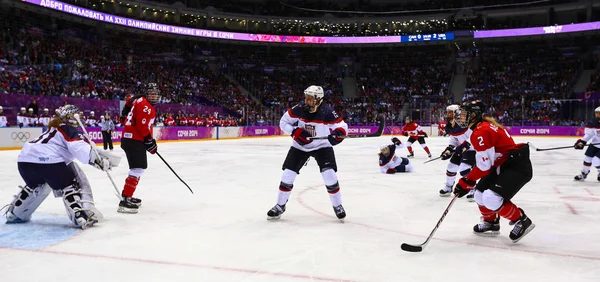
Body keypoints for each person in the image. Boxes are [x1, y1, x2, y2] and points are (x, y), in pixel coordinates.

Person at [2, 105, 118, 229]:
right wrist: (98, 161)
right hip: (50, 163)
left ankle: (15, 213)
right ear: (70, 117)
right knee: (71, 184)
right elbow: (80, 149)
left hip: (25, 162)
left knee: (35, 186)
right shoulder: (67, 129)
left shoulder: (52, 129)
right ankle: (80, 214)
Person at [452, 100, 535, 243]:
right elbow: (485, 162)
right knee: (479, 194)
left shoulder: (481, 131)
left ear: (474, 115)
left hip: (516, 166)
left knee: (491, 197)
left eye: (464, 114)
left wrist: (466, 181)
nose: (460, 117)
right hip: (504, 164)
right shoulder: (481, 128)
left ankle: (521, 220)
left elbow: (485, 166)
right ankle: (491, 223)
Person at [267, 85, 348, 221]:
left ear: (318, 100)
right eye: (306, 98)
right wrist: (294, 132)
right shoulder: (299, 109)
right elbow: (283, 122)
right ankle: (280, 205)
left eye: (310, 99)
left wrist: (337, 134)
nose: (307, 101)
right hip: (300, 146)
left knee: (330, 175)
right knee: (287, 174)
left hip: (322, 146)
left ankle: (338, 205)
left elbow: (342, 126)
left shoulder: (327, 111)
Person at [118, 83, 159, 214]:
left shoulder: (138, 99)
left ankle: (127, 196)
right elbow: (142, 128)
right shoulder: (146, 106)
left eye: (155, 94)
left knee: (138, 168)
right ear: (147, 94)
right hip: (134, 140)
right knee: (137, 169)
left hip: (131, 138)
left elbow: (129, 101)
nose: (153, 96)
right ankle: (125, 201)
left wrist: (124, 114)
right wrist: (149, 141)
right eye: (151, 93)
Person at [439, 104, 476, 201]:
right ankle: (448, 187)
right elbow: (454, 139)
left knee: (464, 169)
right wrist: (449, 149)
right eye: (447, 112)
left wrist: (465, 145)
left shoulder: (467, 123)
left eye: (450, 112)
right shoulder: (452, 124)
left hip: (473, 150)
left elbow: (474, 136)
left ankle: (473, 188)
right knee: (451, 166)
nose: (448, 114)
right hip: (462, 148)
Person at [573, 106, 600, 181]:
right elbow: (588, 135)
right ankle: (584, 174)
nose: (597, 115)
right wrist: (582, 142)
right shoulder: (592, 123)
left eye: (599, 113)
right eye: (596, 113)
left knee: (596, 160)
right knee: (587, 158)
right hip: (594, 144)